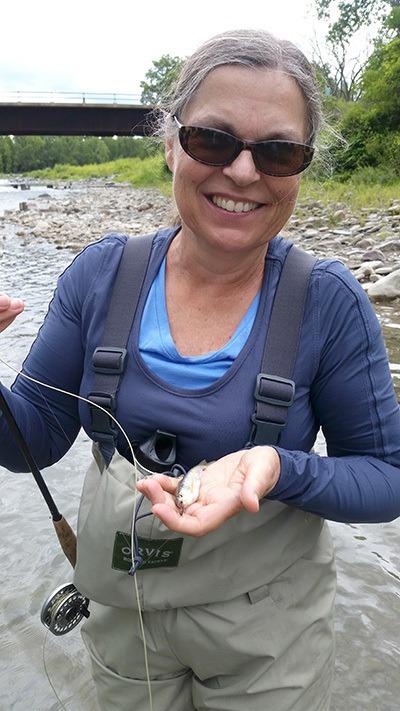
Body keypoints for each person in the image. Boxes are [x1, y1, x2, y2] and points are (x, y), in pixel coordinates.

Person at [1, 28, 400, 711]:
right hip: (123, 612)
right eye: (213, 140)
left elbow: (388, 477)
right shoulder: (99, 276)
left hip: (269, 637)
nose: (244, 172)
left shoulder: (328, 302)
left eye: (278, 151)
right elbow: (29, 443)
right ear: (169, 143)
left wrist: (280, 466)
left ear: (302, 167)